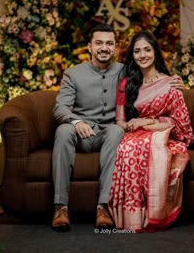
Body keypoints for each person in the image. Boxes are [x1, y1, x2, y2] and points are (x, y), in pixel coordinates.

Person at [51, 24, 185, 232]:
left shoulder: (126, 72)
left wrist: (176, 81)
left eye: (109, 44)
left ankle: (102, 208)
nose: (104, 48)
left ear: (115, 47)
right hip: (80, 134)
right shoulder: (73, 74)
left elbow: (153, 80)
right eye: (99, 43)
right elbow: (60, 108)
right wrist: (77, 122)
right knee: (63, 129)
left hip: (109, 134)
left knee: (116, 130)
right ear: (89, 46)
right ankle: (61, 208)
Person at [108, 30, 194, 233]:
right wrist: (131, 125)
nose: (142, 55)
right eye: (137, 51)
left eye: (147, 49)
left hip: (159, 132)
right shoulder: (126, 83)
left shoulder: (169, 84)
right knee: (126, 147)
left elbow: (180, 124)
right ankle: (133, 216)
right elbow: (120, 121)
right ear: (132, 56)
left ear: (155, 52)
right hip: (133, 132)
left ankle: (154, 213)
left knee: (150, 146)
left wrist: (146, 122)